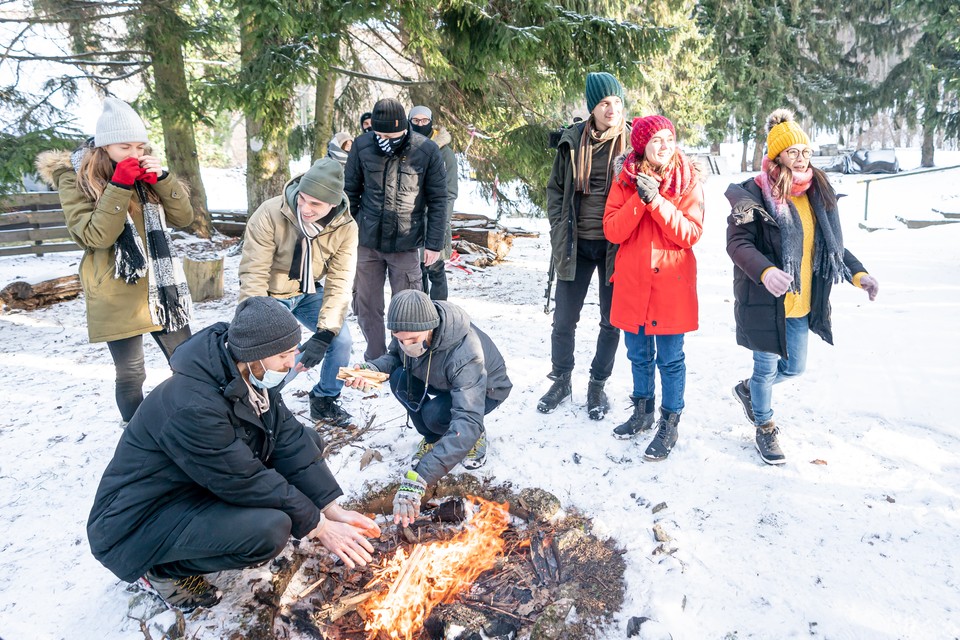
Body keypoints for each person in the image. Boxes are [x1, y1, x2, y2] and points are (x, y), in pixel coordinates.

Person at [87, 297, 381, 611]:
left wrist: (330, 507)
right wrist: (318, 526)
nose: (291, 362)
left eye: (292, 351)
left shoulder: (248, 375)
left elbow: (288, 438)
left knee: (309, 439)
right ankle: (160, 571)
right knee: (269, 531)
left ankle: (200, 541)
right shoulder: (193, 405)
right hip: (143, 519)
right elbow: (243, 478)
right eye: (283, 354)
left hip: (196, 487)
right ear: (253, 356)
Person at [725, 109, 879, 465]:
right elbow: (738, 244)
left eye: (805, 151)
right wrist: (765, 272)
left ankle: (749, 391)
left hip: (802, 301)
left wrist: (859, 275)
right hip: (766, 300)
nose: (801, 158)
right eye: (792, 151)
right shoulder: (753, 193)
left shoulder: (816, 192)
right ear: (777, 154)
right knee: (766, 370)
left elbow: (830, 245)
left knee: (795, 368)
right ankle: (764, 426)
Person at [35, 98, 194, 424]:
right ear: (104, 146)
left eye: (140, 146)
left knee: (190, 363)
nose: (134, 154)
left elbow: (184, 218)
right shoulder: (74, 178)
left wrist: (163, 180)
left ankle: (193, 424)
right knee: (132, 374)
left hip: (162, 287)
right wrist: (120, 185)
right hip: (115, 288)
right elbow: (96, 237)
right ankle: (138, 438)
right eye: (125, 146)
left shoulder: (144, 170)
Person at [343, 290, 512, 527]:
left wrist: (422, 476)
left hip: (484, 391)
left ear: (430, 327)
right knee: (399, 379)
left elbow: (467, 417)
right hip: (443, 380)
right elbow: (394, 359)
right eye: (400, 339)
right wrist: (370, 369)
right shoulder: (407, 328)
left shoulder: (466, 353)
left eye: (412, 340)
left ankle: (475, 437)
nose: (406, 345)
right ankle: (434, 438)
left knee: (437, 417)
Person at [603, 114, 705, 461]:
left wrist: (658, 202)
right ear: (641, 146)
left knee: (671, 359)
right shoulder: (625, 180)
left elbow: (690, 233)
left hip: (670, 287)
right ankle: (642, 411)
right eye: (656, 140)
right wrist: (639, 200)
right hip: (633, 284)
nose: (664, 146)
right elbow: (613, 231)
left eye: (669, 138)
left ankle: (669, 422)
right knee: (638, 354)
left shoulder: (688, 179)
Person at [239, 157, 358, 427]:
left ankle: (324, 399)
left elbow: (340, 280)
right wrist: (256, 319)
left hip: (306, 291)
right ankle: (264, 398)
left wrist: (325, 334)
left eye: (315, 204)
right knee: (278, 347)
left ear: (333, 202)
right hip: (269, 294)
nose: (305, 208)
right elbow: (254, 271)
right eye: (302, 199)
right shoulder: (270, 213)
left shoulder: (345, 227)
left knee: (341, 341)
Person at [538, 72, 629, 420]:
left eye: (617, 102)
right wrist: (558, 227)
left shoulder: (633, 142)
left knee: (611, 321)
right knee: (563, 320)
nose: (612, 109)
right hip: (576, 243)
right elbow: (555, 189)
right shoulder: (572, 140)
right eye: (605, 103)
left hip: (615, 246)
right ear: (592, 106)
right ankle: (561, 379)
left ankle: (597, 384)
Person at [345, 97, 449, 360]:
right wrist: (355, 228)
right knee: (367, 303)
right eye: (381, 135)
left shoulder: (426, 150)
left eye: (393, 135)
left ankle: (406, 357)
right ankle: (377, 356)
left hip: (406, 243)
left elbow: (438, 200)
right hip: (367, 242)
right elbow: (350, 192)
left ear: (404, 128)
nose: (387, 140)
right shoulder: (362, 146)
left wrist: (434, 243)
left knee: (409, 306)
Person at [409, 105, 458, 300]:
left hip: (435, 219)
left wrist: (442, 219)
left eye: (424, 121)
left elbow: (450, 191)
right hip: (411, 220)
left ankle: (440, 309)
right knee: (415, 271)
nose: (420, 124)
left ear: (431, 121)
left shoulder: (445, 153)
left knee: (435, 269)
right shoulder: (406, 148)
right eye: (416, 121)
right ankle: (420, 313)